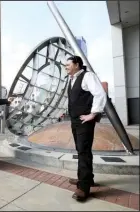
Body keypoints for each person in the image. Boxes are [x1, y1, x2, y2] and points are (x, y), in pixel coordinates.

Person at [65, 56, 107, 201]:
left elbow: (100, 94)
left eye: (68, 64)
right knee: (81, 150)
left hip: (84, 121)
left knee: (83, 151)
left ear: (77, 65)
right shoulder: (71, 79)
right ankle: (86, 179)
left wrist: (93, 114)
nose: (66, 67)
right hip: (75, 120)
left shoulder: (88, 76)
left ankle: (84, 188)